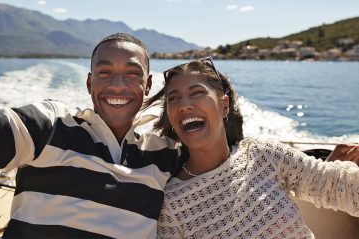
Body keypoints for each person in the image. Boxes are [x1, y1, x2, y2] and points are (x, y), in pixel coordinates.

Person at [0, 33, 182, 238]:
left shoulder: (166, 154)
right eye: (104, 73)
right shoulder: (53, 126)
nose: (118, 85)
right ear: (89, 83)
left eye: (132, 73)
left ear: (148, 85)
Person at [143, 57, 359, 238]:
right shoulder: (172, 205)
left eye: (197, 92)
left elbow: (334, 185)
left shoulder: (262, 154)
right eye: (174, 98)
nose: (184, 105)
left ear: (224, 106)